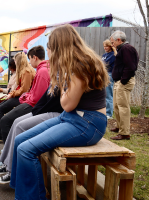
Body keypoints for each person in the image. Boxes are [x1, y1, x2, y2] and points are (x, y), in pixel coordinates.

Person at [10, 24, 108, 199]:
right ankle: (22, 191)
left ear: (59, 47)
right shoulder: (73, 64)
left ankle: (31, 197)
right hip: (72, 118)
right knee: (20, 140)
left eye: (50, 47)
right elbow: (68, 108)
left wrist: (61, 82)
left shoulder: (80, 67)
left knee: (26, 150)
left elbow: (67, 104)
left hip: (87, 123)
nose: (48, 52)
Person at [0, 45, 50, 143]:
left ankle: (8, 150)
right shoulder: (41, 70)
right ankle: (3, 140)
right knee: (5, 114)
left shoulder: (40, 71)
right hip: (29, 101)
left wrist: (22, 97)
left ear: (35, 57)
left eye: (30, 59)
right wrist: (23, 96)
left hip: (32, 104)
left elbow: (35, 97)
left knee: (5, 120)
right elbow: (31, 91)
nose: (29, 61)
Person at [0, 52, 35, 144]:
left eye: (16, 61)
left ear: (19, 61)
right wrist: (12, 94)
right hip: (20, 96)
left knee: (0, 109)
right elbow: (20, 88)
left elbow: (24, 89)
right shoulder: (24, 71)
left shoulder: (26, 72)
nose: (15, 63)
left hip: (23, 98)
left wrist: (11, 94)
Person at [109, 30, 139, 140]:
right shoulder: (122, 49)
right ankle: (119, 126)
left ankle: (125, 133)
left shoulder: (127, 49)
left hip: (124, 82)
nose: (112, 45)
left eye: (112, 42)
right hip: (119, 81)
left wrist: (123, 80)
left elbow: (131, 67)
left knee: (123, 107)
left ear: (118, 40)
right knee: (117, 105)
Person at [102, 39, 117, 119]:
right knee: (104, 94)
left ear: (110, 46)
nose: (105, 48)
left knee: (108, 95)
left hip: (109, 75)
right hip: (103, 75)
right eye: (104, 46)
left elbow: (105, 65)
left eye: (106, 46)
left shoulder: (113, 55)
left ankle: (109, 114)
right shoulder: (104, 55)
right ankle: (105, 112)